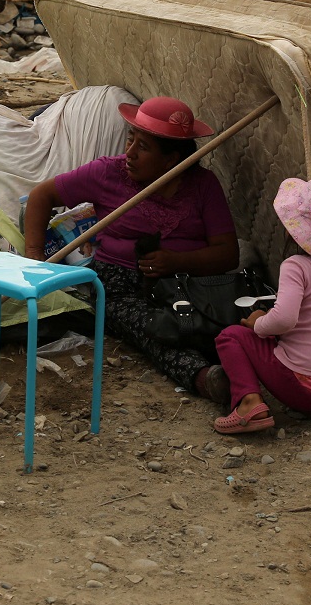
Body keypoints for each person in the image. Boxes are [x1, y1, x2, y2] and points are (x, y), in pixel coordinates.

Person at [22, 96, 238, 395]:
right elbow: (41, 196)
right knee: (151, 328)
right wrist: (34, 258)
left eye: (143, 147)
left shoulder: (203, 185)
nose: (130, 154)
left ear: (172, 159)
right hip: (118, 284)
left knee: (210, 325)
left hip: (186, 284)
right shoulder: (108, 173)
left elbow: (227, 253)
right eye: (130, 140)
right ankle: (203, 377)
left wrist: (177, 262)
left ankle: (247, 371)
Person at [205, 174, 311, 434]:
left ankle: (249, 403)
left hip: (302, 384)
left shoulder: (297, 266)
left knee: (231, 336)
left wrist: (259, 323)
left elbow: (284, 320)